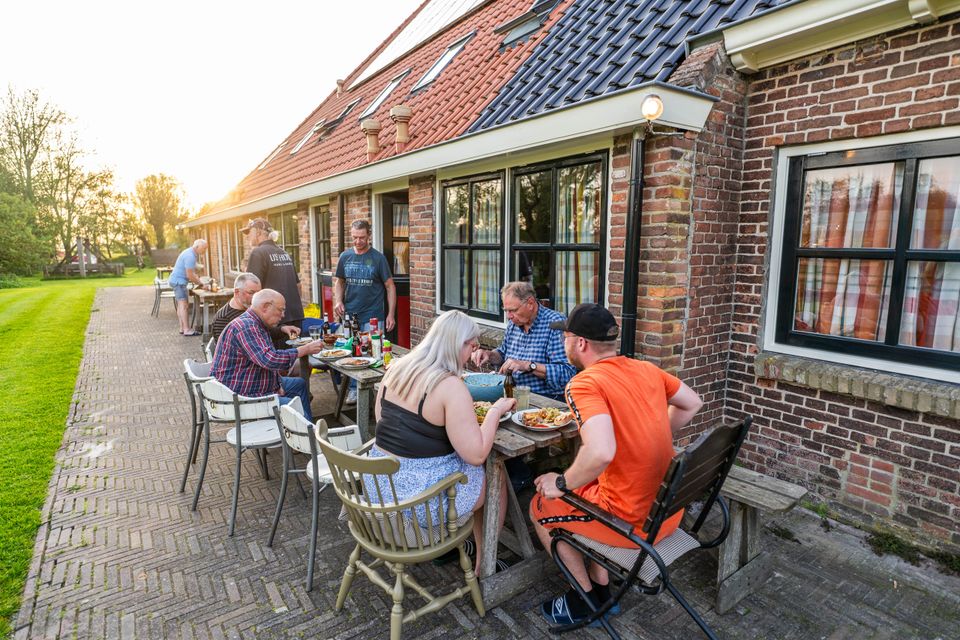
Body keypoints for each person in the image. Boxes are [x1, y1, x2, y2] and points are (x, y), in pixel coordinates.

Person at [530, 303, 703, 626]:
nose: (563, 344)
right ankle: (603, 590)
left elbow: (600, 452)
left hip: (631, 524)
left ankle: (584, 600)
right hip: (666, 511)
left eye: (565, 338)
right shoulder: (646, 369)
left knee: (541, 503)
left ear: (581, 343)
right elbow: (692, 402)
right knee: (593, 484)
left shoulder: (584, 384)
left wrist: (561, 483)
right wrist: (649, 437)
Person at [367, 310, 515, 574]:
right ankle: (484, 564)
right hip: (417, 506)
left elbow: (381, 420)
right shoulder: (449, 386)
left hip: (381, 491)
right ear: (457, 343)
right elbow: (477, 454)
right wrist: (496, 410)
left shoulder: (397, 367)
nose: (472, 354)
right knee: (495, 473)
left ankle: (460, 545)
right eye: (472, 346)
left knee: (461, 466)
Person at [211, 289, 325, 423]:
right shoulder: (247, 326)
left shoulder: (255, 323)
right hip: (239, 396)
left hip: (249, 384)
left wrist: (276, 385)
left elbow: (264, 361)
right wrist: (304, 349)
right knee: (292, 406)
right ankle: (303, 430)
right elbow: (270, 359)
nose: (283, 315)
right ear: (265, 307)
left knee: (299, 384)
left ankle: (306, 427)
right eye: (280, 310)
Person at [471, 281, 575, 401]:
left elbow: (567, 373)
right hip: (513, 394)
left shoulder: (555, 323)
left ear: (530, 303)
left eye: (513, 310)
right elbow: (503, 354)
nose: (509, 316)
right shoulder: (514, 323)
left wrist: (527, 365)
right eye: (506, 311)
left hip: (544, 399)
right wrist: (488, 355)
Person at [333, 219, 396, 403]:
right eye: (354, 237)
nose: (358, 241)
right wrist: (338, 301)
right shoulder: (345, 256)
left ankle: (378, 394)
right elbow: (339, 282)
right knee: (351, 351)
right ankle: (354, 390)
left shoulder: (378, 258)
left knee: (373, 353)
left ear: (369, 235)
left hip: (373, 315)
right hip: (350, 315)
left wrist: (391, 314)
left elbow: (390, 286)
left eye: (361, 237)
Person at [242, 218, 305, 338]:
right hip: (295, 316)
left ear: (258, 232)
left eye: (249, 232)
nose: (248, 236)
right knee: (295, 349)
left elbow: (252, 288)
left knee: (275, 351)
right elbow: (298, 286)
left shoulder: (258, 253)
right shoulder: (284, 253)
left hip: (275, 321)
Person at [209, 273, 301, 346]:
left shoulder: (252, 309)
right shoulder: (223, 319)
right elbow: (228, 352)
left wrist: (282, 329)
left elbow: (263, 332)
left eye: (259, 293)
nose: (256, 296)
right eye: (251, 292)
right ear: (237, 292)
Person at [169, 239, 208, 336]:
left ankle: (182, 328)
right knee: (184, 305)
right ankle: (187, 330)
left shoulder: (190, 253)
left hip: (176, 280)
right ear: (197, 247)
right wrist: (201, 284)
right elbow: (189, 275)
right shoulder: (190, 255)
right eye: (204, 248)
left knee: (180, 305)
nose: (205, 250)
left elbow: (192, 268)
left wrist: (199, 270)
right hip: (179, 282)